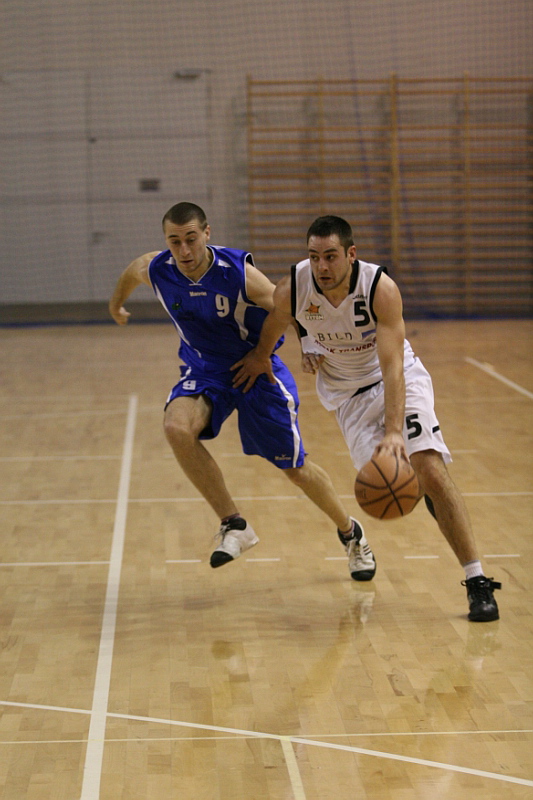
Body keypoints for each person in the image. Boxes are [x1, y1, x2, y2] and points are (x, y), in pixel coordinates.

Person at [231, 214, 501, 622]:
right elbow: (277, 321)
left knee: (428, 465)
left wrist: (394, 433)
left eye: (331, 256)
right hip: (348, 399)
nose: (322, 266)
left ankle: (477, 579)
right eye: (314, 257)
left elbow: (392, 368)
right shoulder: (293, 288)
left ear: (351, 254)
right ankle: (428, 492)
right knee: (398, 485)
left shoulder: (379, 289)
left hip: (394, 378)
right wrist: (268, 353)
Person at [108, 202, 376, 580]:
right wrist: (116, 305)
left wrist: (304, 346)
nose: (184, 250)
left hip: (256, 370)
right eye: (174, 241)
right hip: (205, 371)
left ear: (207, 234)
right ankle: (234, 524)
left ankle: (350, 533)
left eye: (191, 239)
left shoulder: (237, 274)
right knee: (176, 428)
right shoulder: (157, 268)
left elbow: (286, 305)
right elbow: (131, 271)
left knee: (295, 469)